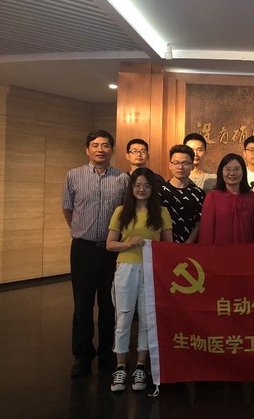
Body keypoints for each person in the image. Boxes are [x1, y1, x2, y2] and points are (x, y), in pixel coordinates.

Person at [62, 130, 129, 377]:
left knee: (109, 305)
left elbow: (126, 212)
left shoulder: (123, 178)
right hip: (83, 250)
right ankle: (82, 356)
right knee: (82, 305)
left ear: (112, 149)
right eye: (95, 145)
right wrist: (81, 231)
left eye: (105, 145)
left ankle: (107, 354)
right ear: (87, 150)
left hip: (112, 251)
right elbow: (67, 209)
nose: (100, 149)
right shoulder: (73, 176)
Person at [106, 168, 173, 392]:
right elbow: (110, 244)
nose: (141, 189)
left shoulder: (162, 212)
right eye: (137, 185)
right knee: (123, 317)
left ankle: (141, 366)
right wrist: (129, 243)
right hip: (125, 267)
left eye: (146, 185)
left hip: (152, 269)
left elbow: (169, 246)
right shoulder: (121, 212)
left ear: (153, 188)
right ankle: (120, 366)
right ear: (131, 188)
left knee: (146, 318)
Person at [199, 153, 254, 244]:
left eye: (236, 169)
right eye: (227, 169)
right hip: (220, 250)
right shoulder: (212, 197)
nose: (232, 173)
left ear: (243, 172)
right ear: (221, 172)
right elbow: (206, 230)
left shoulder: (251, 198)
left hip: (245, 250)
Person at [160, 145, 206, 243]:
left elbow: (199, 224)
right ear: (170, 165)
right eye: (176, 163)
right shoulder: (160, 191)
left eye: (185, 163)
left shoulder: (199, 194)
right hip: (163, 246)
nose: (180, 167)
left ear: (192, 166)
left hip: (190, 247)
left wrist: (188, 244)